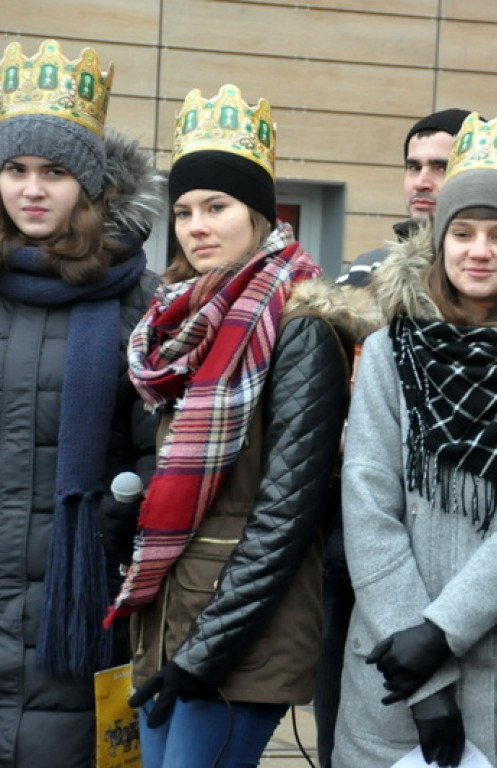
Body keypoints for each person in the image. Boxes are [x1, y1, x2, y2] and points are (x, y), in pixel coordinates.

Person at [104, 84, 366, 768]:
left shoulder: (301, 327)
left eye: (216, 207)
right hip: (172, 618)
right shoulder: (180, 321)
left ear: (257, 214)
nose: (196, 226)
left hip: (246, 632)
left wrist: (204, 653)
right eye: (185, 210)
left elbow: (287, 512)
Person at [334, 110, 497, 768]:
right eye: (464, 232)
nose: (480, 250)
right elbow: (369, 503)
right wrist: (418, 662)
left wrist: (442, 631)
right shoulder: (390, 347)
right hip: (393, 667)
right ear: (441, 238)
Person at [0, 39, 161, 767]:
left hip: (81, 601)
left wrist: (111, 522)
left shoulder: (141, 299)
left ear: (91, 185)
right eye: (15, 169)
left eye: (55, 172)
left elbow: (163, 449)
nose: (32, 190)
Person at [319, 105, 470, 767]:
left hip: (457, 559)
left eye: (441, 164)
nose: (422, 179)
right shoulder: (361, 278)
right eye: (414, 164)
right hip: (353, 543)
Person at [338, 107, 472, 287]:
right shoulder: (364, 273)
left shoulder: (489, 275)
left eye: (441, 168)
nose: (421, 183)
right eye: (414, 168)